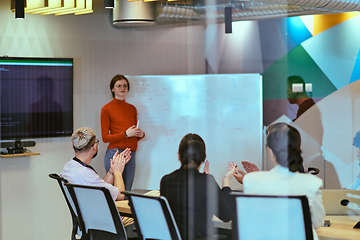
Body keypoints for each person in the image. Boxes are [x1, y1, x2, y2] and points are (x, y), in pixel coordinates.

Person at [232, 122, 325, 240]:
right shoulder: (312, 183)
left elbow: (252, 221)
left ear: (270, 151)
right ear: (299, 149)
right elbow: (317, 223)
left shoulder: (251, 180)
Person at [160, 133, 237, 240]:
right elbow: (226, 215)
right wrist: (226, 181)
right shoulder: (206, 181)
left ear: (179, 155)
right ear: (203, 158)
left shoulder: (165, 181)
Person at [61, 127, 131, 201]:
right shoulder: (86, 174)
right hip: (99, 211)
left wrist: (112, 170)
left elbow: (100, 188)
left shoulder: (68, 167)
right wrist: (118, 172)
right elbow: (120, 196)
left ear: (73, 147)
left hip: (86, 210)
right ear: (94, 146)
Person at [101, 75, 145, 191]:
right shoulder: (106, 109)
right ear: (112, 89)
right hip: (116, 153)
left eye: (125, 86)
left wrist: (141, 135)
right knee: (116, 193)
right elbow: (105, 137)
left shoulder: (132, 108)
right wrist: (126, 134)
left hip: (131, 154)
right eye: (119, 85)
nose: (122, 88)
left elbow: (133, 135)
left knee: (127, 193)